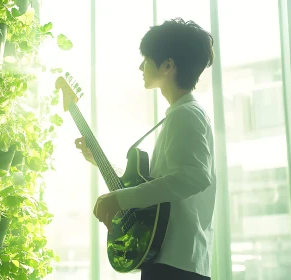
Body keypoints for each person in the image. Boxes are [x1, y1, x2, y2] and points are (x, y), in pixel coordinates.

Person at [75, 18, 216, 280]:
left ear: (167, 65)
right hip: (171, 261)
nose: (141, 66)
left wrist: (122, 199)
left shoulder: (187, 115)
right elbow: (160, 185)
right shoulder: (179, 115)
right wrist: (100, 162)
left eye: (146, 59)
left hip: (177, 265)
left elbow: (194, 177)